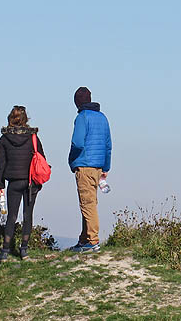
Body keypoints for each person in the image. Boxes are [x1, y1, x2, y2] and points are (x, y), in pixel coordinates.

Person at [0, 105, 46, 263]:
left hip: (13, 182)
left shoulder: (4, 139)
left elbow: (0, 164)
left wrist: (0, 185)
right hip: (30, 182)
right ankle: (24, 250)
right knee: (27, 215)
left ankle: (5, 251)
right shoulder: (33, 138)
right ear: (25, 119)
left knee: (11, 216)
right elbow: (42, 157)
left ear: (10, 118)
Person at [67, 87, 111, 252]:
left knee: (87, 204)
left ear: (77, 102)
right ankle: (84, 239)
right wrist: (106, 167)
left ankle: (92, 241)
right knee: (90, 203)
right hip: (98, 167)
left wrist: (71, 159)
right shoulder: (102, 117)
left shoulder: (82, 117)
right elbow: (108, 145)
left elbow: (77, 142)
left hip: (85, 166)